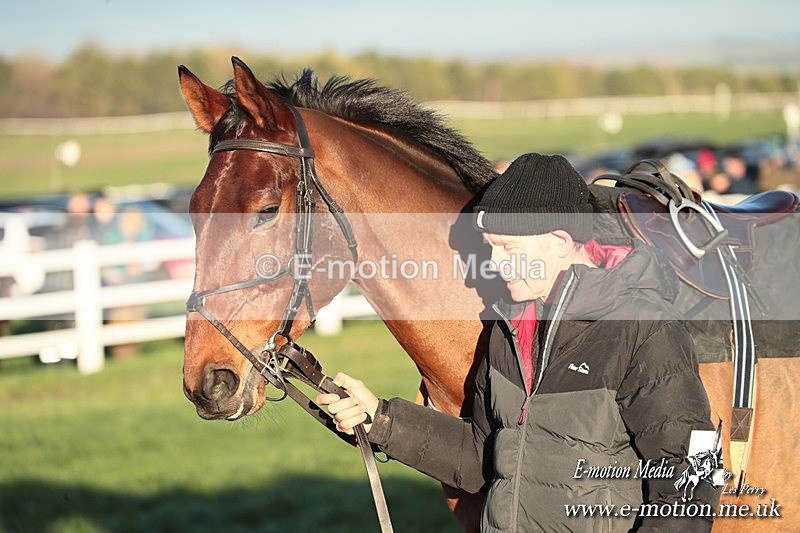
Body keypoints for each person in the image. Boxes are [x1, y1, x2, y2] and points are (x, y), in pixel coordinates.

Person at [317, 153, 720, 531]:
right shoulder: (508, 327)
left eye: (509, 248)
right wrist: (382, 420)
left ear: (561, 242)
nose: (494, 263)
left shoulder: (642, 326)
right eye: (491, 247)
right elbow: (483, 455)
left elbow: (693, 476)